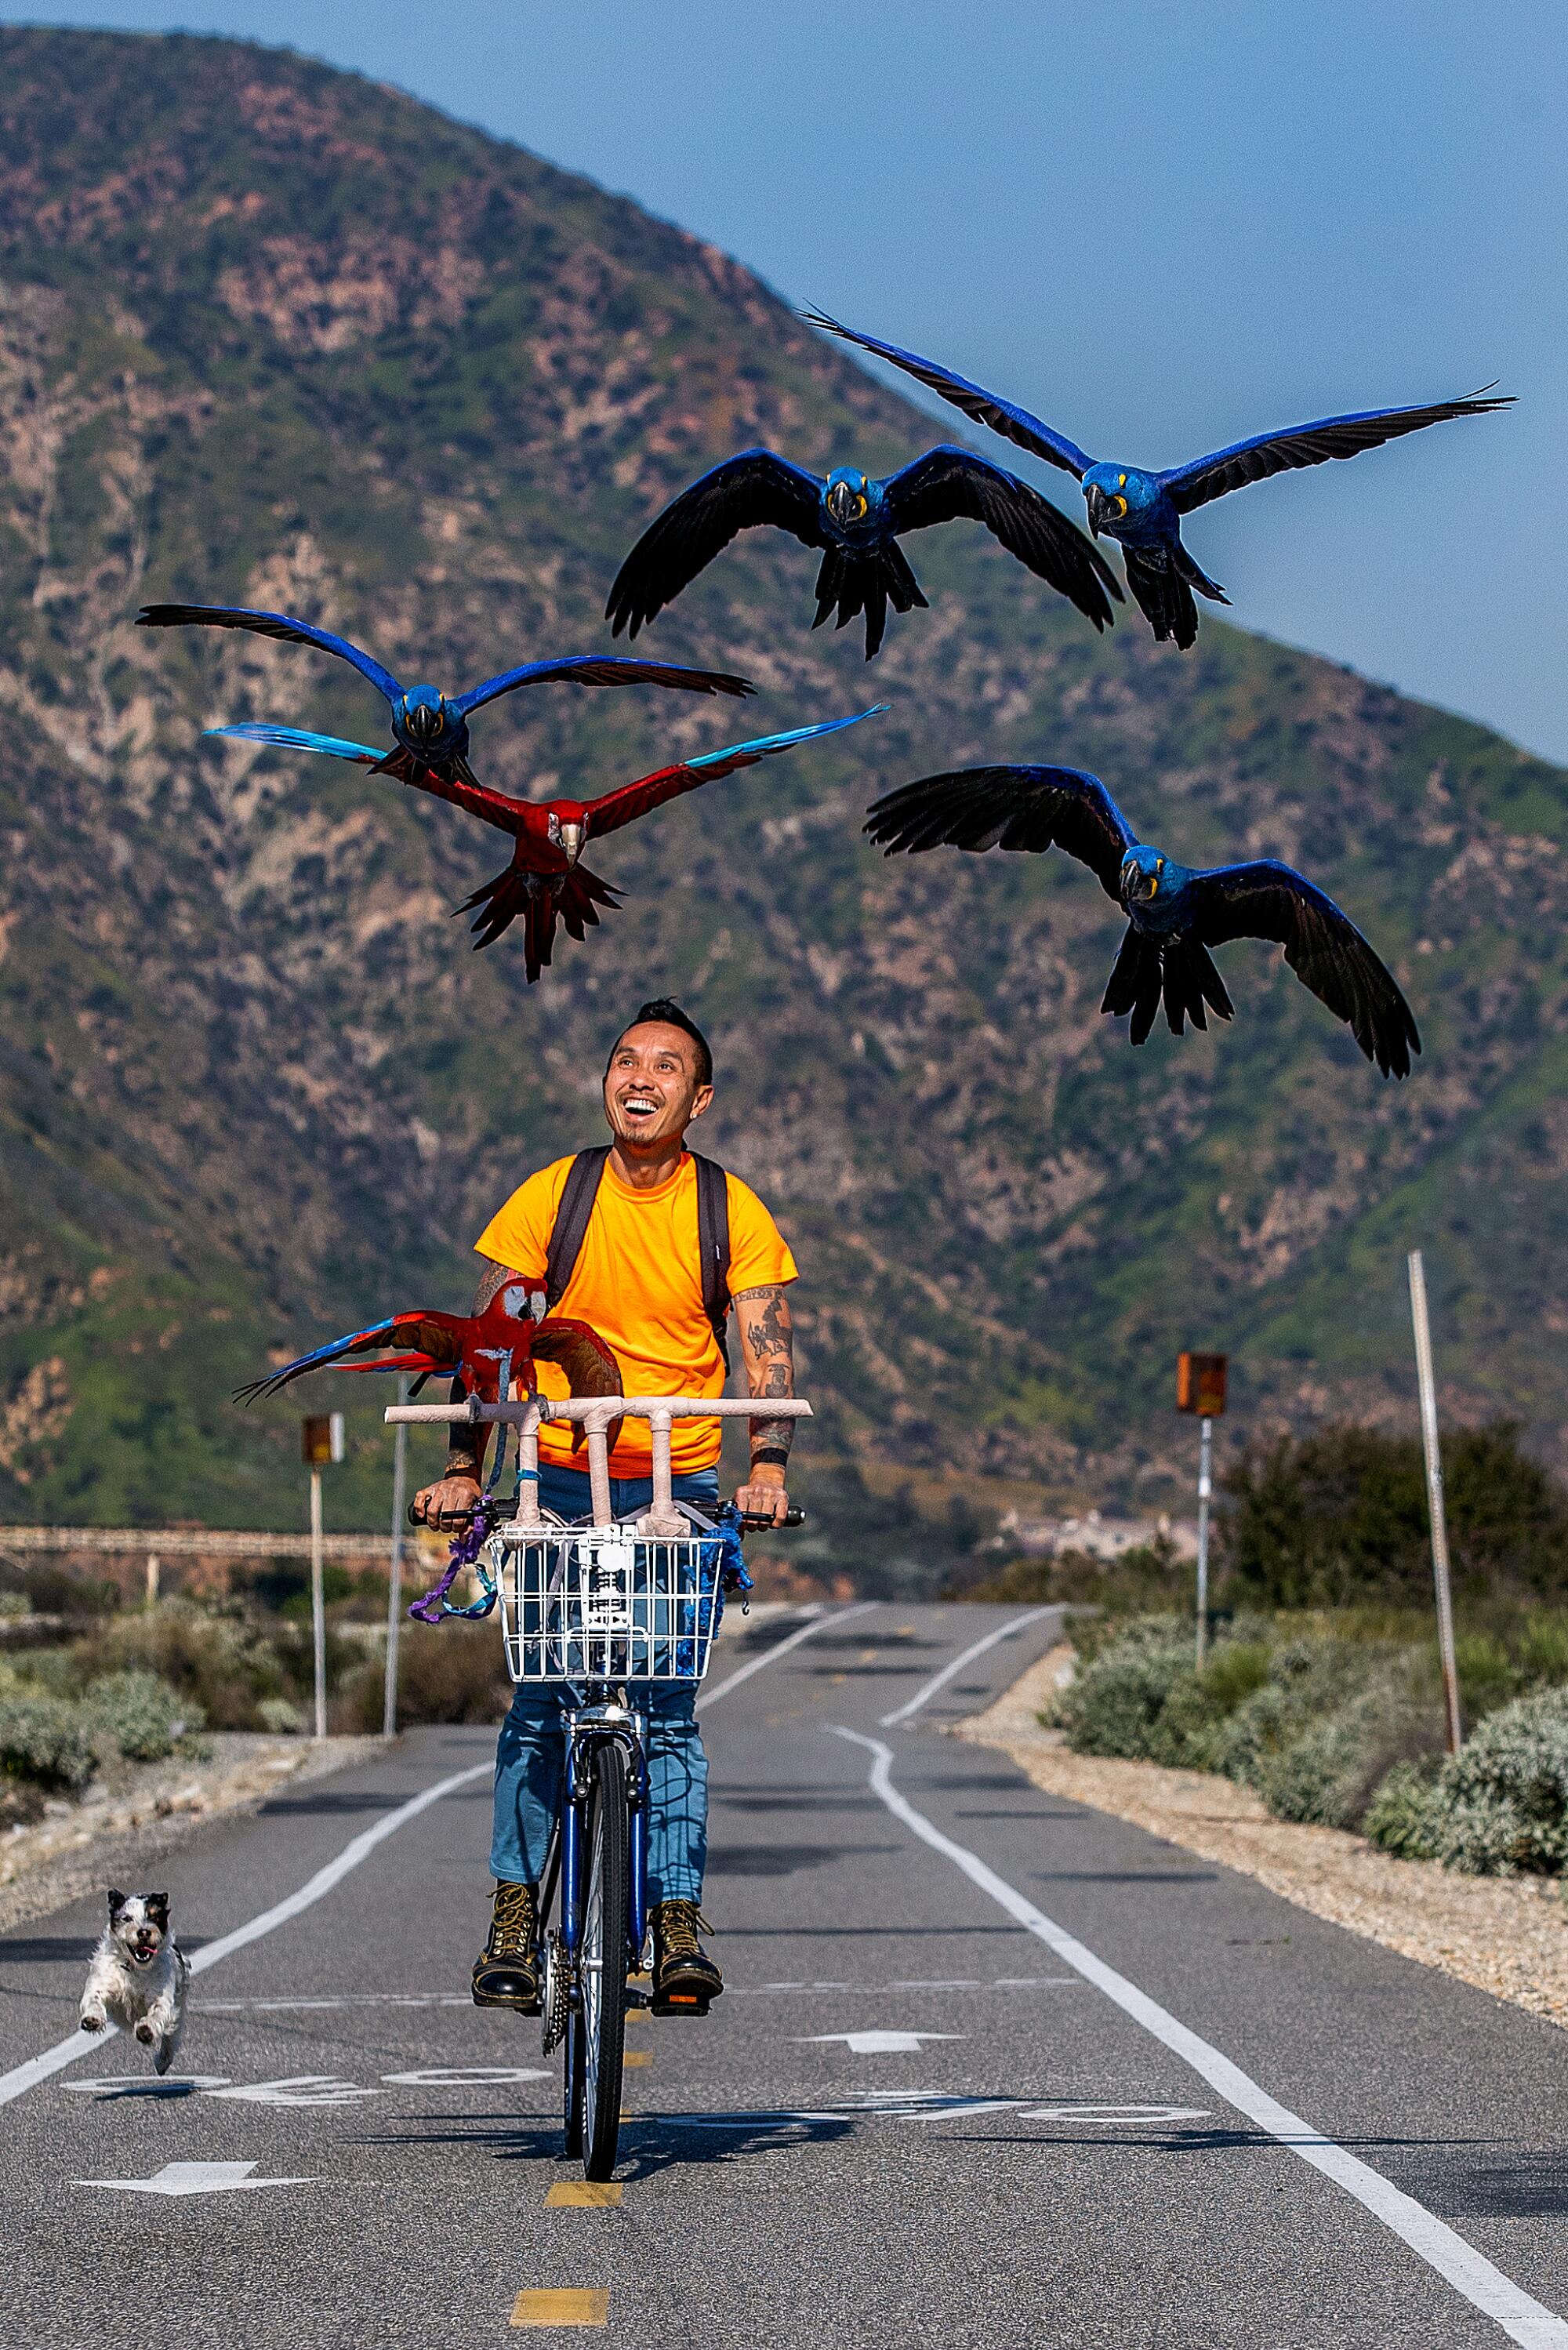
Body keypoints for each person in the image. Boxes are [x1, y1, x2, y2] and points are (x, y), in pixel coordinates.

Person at [412, 997, 798, 2016]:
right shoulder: (555, 1194)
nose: (641, 1077)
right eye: (626, 1059)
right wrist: (464, 1466)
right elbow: (489, 1342)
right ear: (605, 1080)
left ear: (699, 1097)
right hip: (556, 1476)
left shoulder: (732, 1212)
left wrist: (768, 1464)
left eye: (667, 1066)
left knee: (666, 1710)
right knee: (541, 1703)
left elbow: (765, 1349)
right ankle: (511, 1915)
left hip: (681, 1486)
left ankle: (675, 1926)